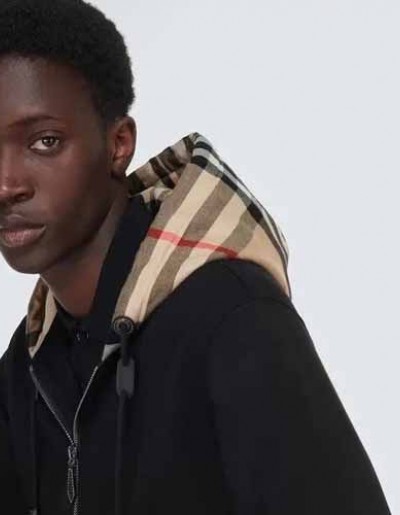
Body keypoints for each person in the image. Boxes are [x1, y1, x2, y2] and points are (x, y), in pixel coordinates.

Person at [0, 1, 391, 514]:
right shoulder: (33, 361)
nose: (7, 184)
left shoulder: (232, 318)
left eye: (45, 142)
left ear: (119, 145)